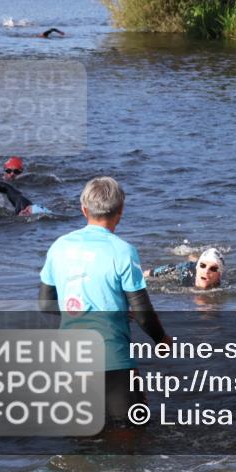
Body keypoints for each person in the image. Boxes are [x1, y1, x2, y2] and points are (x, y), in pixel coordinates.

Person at [39, 177, 171, 425]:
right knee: (132, 435)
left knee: (82, 442)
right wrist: (162, 340)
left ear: (83, 209)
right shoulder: (123, 251)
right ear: (120, 212)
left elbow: (46, 305)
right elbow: (142, 312)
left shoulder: (59, 247)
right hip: (112, 357)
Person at [145, 247, 223, 290]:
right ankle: (192, 257)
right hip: (189, 267)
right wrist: (149, 273)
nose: (206, 271)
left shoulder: (221, 286)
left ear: (219, 275)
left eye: (213, 269)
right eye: (203, 266)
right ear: (198, 268)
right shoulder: (186, 271)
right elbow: (150, 273)